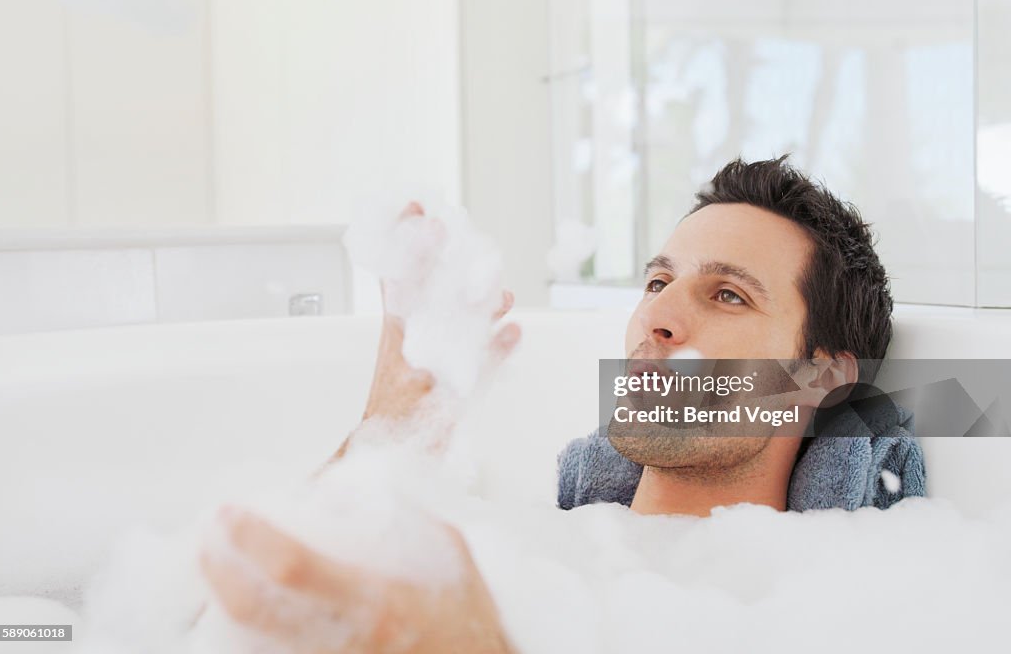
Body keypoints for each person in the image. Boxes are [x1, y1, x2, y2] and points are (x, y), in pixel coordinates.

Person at [199, 156, 894, 653]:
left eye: (728, 295)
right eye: (658, 283)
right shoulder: (533, 543)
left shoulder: (804, 618)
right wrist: (385, 434)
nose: (657, 318)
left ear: (821, 378)